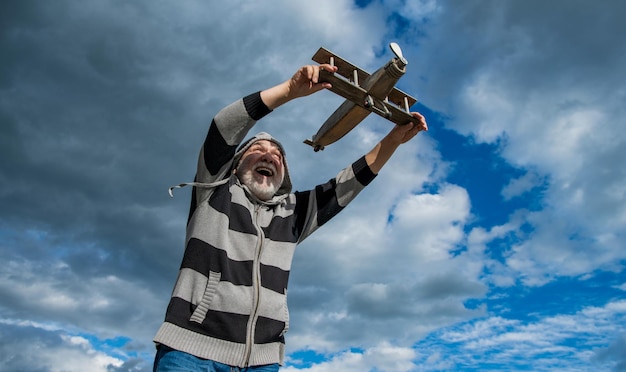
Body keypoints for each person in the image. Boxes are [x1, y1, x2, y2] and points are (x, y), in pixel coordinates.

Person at [153, 63, 428, 371]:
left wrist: (394, 139)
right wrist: (289, 90)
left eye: (278, 155)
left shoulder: (293, 214)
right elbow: (223, 127)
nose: (270, 155)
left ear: (283, 174)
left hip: (262, 362)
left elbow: (348, 184)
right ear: (234, 165)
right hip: (191, 352)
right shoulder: (213, 190)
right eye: (257, 149)